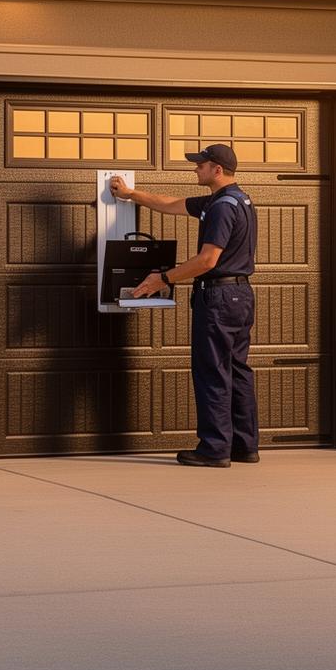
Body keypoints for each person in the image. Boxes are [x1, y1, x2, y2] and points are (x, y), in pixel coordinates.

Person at [110, 144, 260, 467]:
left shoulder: (221, 208)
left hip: (219, 298)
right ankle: (245, 446)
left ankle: (214, 449)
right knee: (237, 370)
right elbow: (171, 204)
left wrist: (163, 279)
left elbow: (207, 260)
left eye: (201, 165)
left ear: (217, 170)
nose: (195, 169)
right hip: (240, 296)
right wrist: (131, 194)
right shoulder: (235, 200)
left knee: (212, 371)